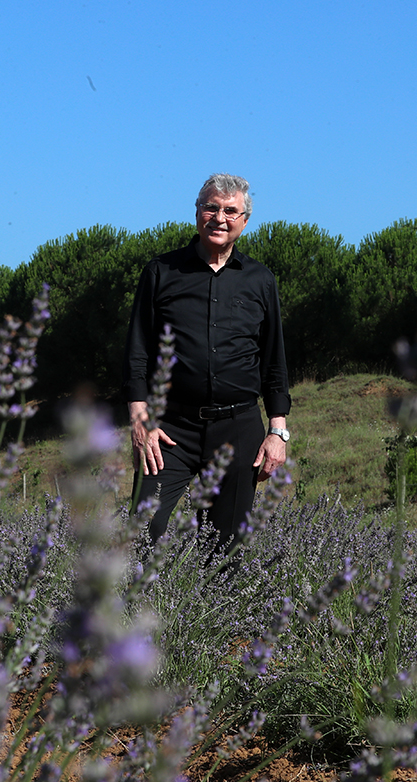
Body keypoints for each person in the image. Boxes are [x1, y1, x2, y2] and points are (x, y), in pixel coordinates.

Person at [122, 173, 292, 555]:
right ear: (197, 213)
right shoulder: (160, 272)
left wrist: (277, 432)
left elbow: (274, 361)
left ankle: (206, 617)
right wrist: (139, 418)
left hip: (239, 429)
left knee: (224, 550)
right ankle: (138, 612)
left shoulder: (260, 280)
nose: (220, 217)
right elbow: (137, 351)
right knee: (141, 529)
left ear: (244, 221)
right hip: (169, 429)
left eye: (231, 211)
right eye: (211, 207)